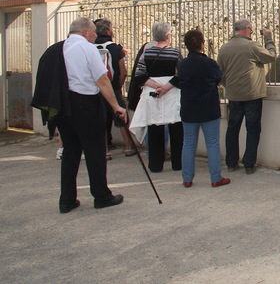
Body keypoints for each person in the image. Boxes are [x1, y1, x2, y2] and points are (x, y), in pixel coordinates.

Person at [32, 17, 127, 213]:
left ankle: (67, 200)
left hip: (62, 105)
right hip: (85, 104)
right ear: (85, 32)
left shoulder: (57, 49)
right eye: (93, 32)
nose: (95, 36)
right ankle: (101, 196)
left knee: (70, 152)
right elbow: (102, 80)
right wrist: (116, 106)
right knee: (95, 151)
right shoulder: (87, 49)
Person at [217, 19, 277, 174]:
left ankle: (231, 163)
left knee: (232, 129)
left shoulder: (224, 48)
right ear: (247, 29)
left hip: (233, 95)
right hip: (252, 94)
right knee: (253, 129)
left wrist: (228, 86)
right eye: (251, 30)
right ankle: (249, 164)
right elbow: (271, 56)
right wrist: (268, 38)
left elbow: (220, 73)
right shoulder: (251, 46)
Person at [173, 29, 230, 188]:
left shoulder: (182, 64)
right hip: (208, 108)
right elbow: (217, 78)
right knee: (212, 143)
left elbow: (179, 81)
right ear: (202, 44)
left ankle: (187, 178)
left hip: (189, 108)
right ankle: (215, 177)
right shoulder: (209, 63)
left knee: (188, 144)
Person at [131, 21, 183, 173]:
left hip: (152, 93)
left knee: (154, 128)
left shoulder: (146, 53)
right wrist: (165, 87)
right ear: (168, 36)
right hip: (172, 93)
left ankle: (155, 165)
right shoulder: (175, 53)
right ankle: (177, 164)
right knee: (176, 129)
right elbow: (181, 74)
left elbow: (139, 75)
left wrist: (156, 86)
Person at [94, 18, 135, 157]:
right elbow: (123, 72)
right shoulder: (116, 49)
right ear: (108, 31)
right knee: (122, 117)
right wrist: (118, 85)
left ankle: (105, 152)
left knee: (101, 120)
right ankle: (128, 148)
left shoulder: (91, 48)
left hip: (97, 89)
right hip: (114, 89)